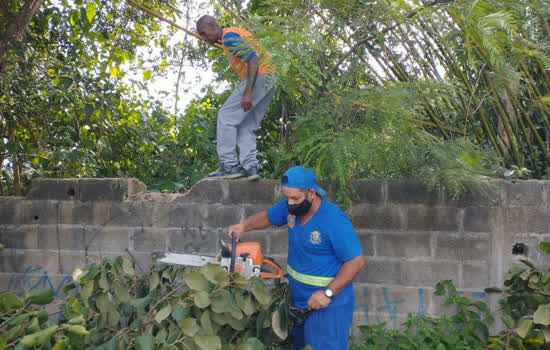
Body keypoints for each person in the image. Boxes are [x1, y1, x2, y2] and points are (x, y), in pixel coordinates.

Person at [227, 166, 365, 350]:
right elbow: (268, 217)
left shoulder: (334, 221)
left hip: (328, 305)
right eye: (287, 198)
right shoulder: (291, 209)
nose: (290, 203)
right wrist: (243, 226)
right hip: (299, 302)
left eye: (295, 198)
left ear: (312, 193)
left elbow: (356, 261)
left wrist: (328, 293)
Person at [196, 15, 277, 180]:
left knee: (225, 116)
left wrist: (248, 92)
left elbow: (252, 58)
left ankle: (229, 166)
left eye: (203, 33)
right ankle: (250, 167)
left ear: (213, 25)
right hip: (271, 79)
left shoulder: (229, 38)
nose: (203, 38)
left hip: (260, 76)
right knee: (246, 125)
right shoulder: (233, 35)